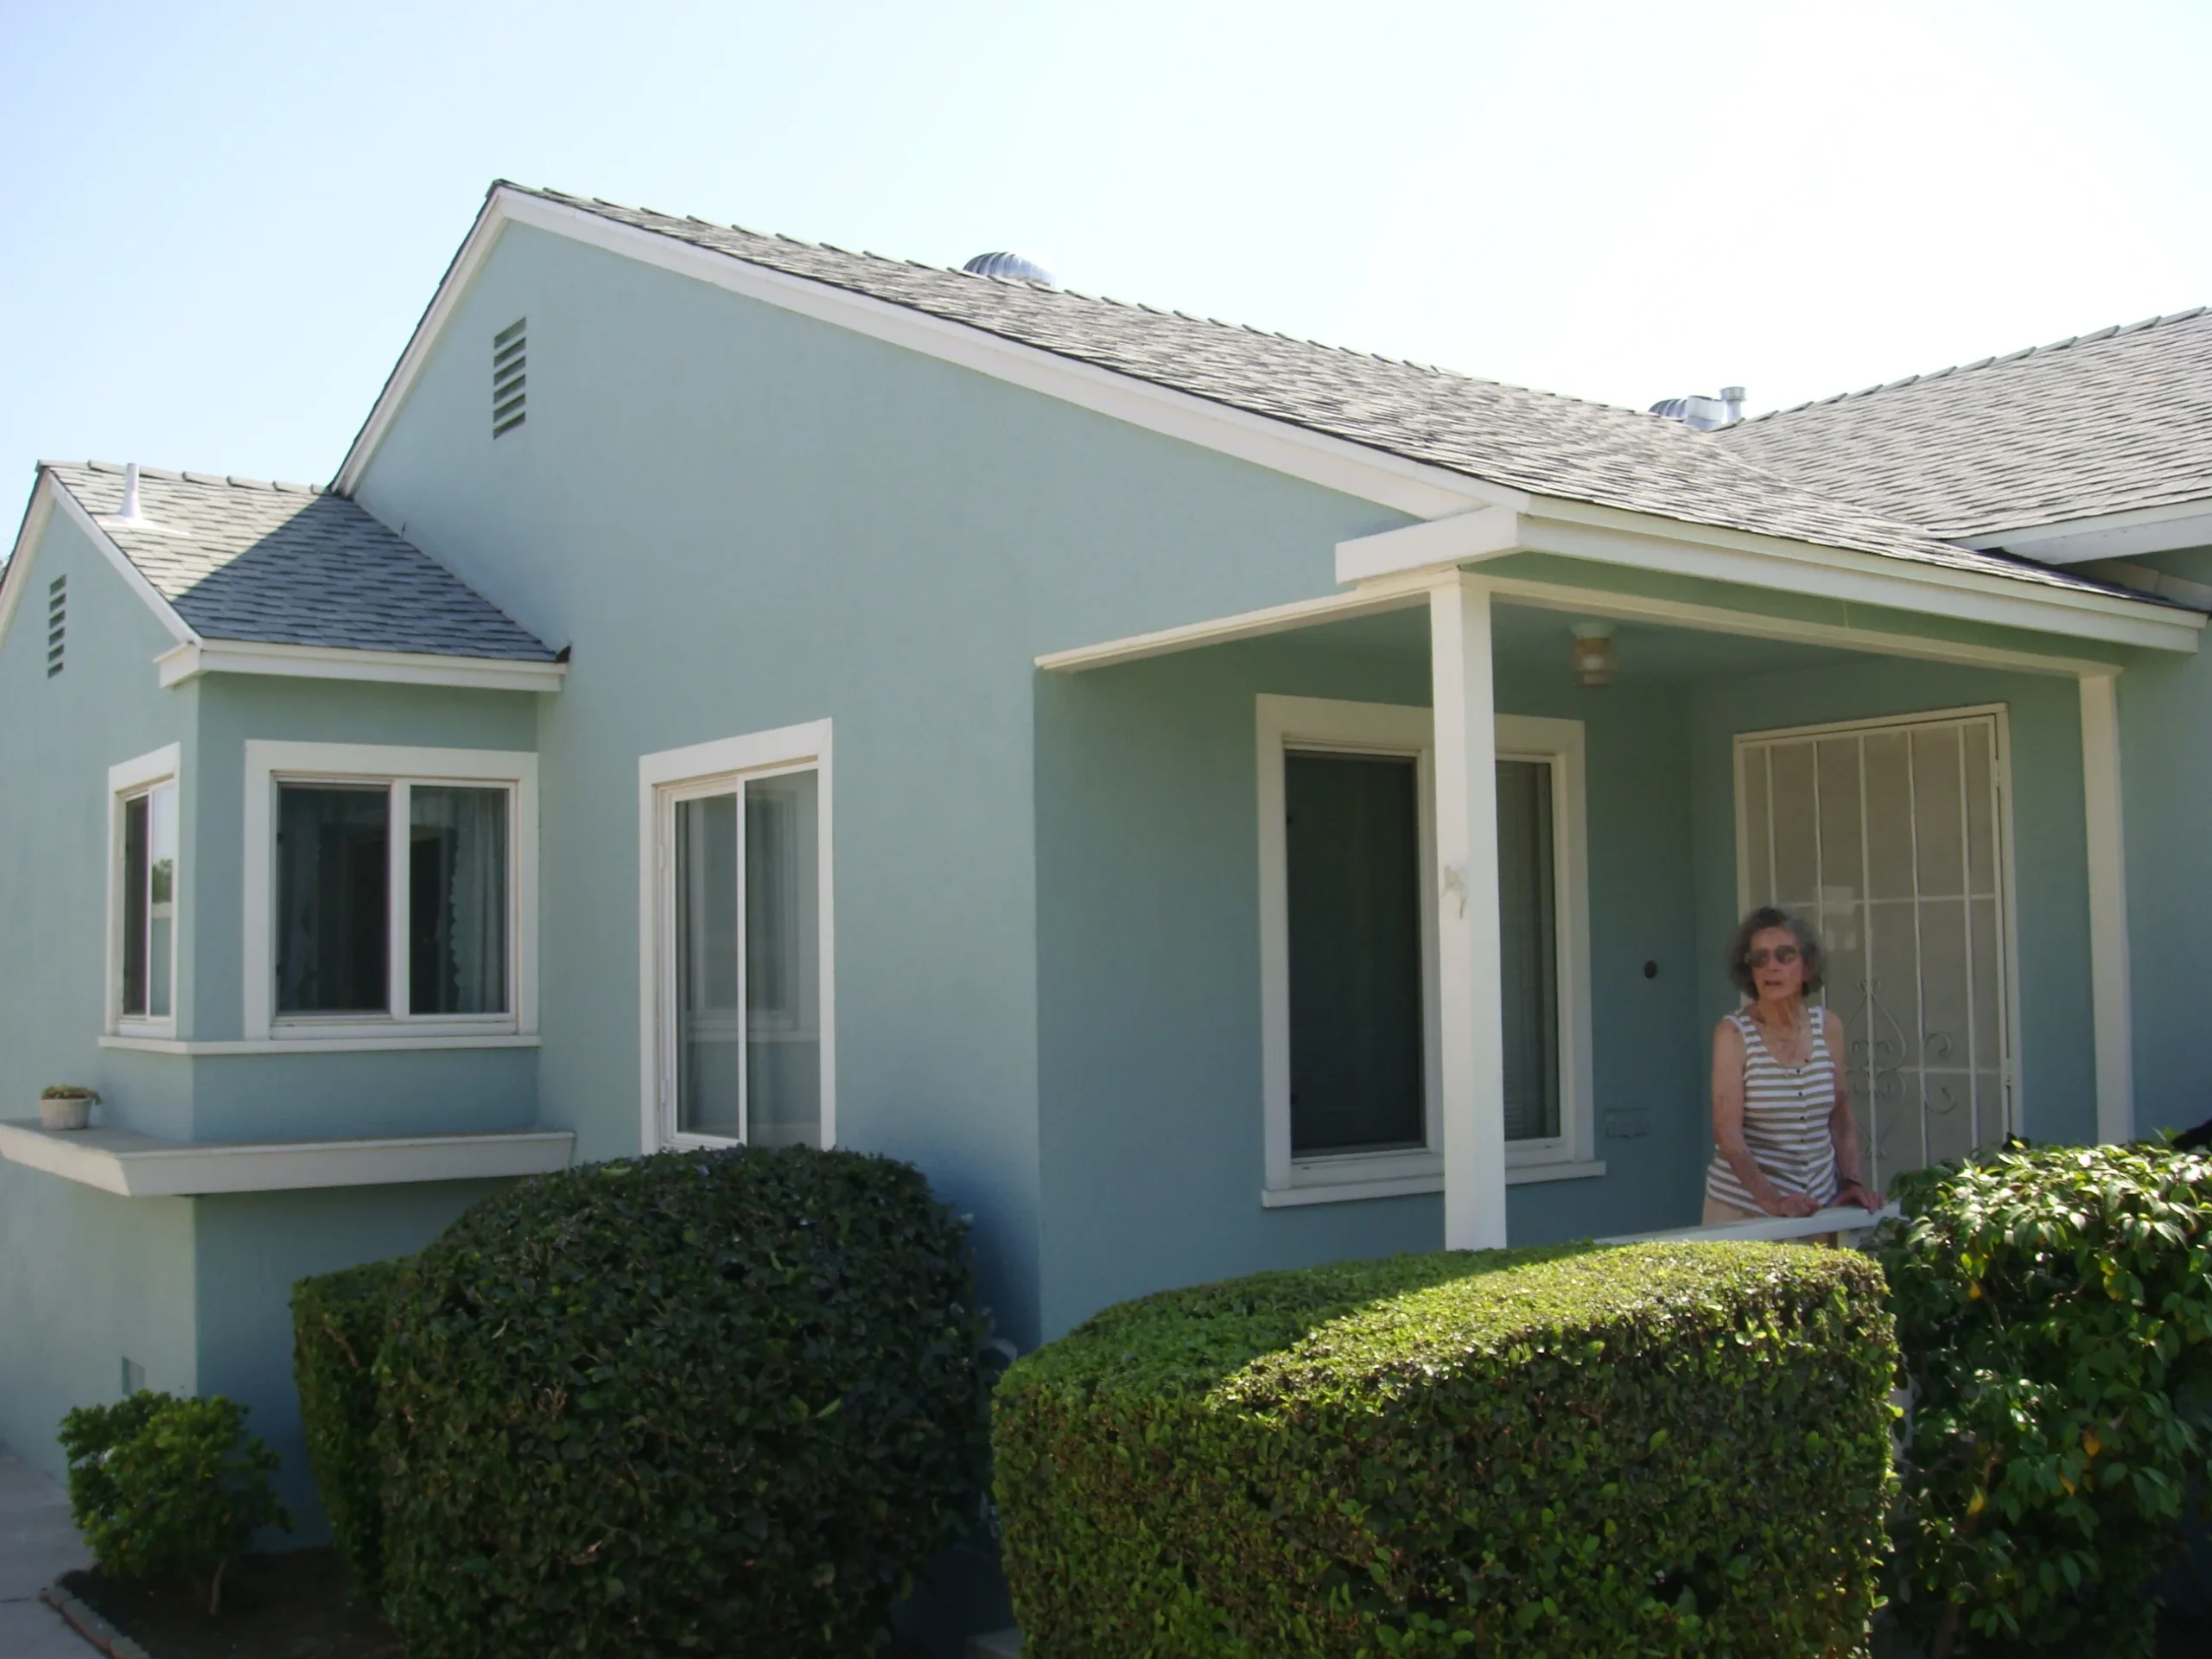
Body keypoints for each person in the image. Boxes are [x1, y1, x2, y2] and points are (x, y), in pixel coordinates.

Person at [1704, 906, 1880, 1226]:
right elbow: (1727, 1133)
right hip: (1746, 1209)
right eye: (1759, 959)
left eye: (1784, 956)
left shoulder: (1828, 1026)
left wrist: (1851, 1182)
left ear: (1807, 967)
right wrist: (1772, 1200)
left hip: (1819, 1205)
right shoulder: (1733, 1033)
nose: (1771, 967)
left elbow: (1840, 1111)